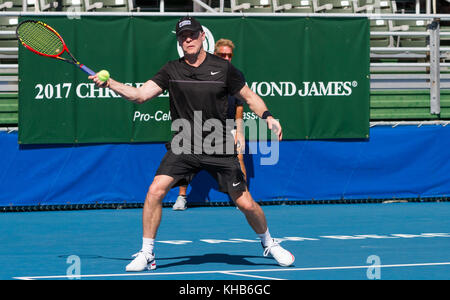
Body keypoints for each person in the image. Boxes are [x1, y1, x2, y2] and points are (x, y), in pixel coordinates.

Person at [89, 16, 294, 272]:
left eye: (192, 35)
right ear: (179, 41)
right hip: (184, 144)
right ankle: (147, 253)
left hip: (218, 145)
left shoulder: (224, 68)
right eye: (183, 36)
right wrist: (110, 83)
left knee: (245, 203)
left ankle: (269, 243)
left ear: (201, 37)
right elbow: (140, 95)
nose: (188, 39)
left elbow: (249, 97)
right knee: (155, 190)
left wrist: (268, 117)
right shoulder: (170, 70)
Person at [172, 38, 247, 211]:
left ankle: (242, 197)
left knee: (239, 158)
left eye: (229, 55)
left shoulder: (236, 75)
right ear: (215, 54)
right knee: (185, 160)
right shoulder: (201, 72)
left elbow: (240, 104)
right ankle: (182, 197)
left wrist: (240, 130)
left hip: (227, 126)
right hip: (199, 125)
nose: (226, 58)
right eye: (222, 55)